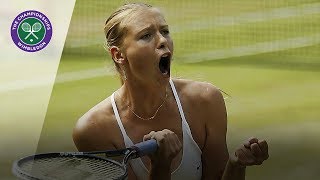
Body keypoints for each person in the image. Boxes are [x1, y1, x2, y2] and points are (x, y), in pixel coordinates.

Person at [73, 3, 269, 180]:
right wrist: (161, 164)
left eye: (165, 31)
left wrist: (236, 165)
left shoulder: (206, 100)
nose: (162, 41)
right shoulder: (93, 129)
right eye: (146, 35)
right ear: (118, 55)